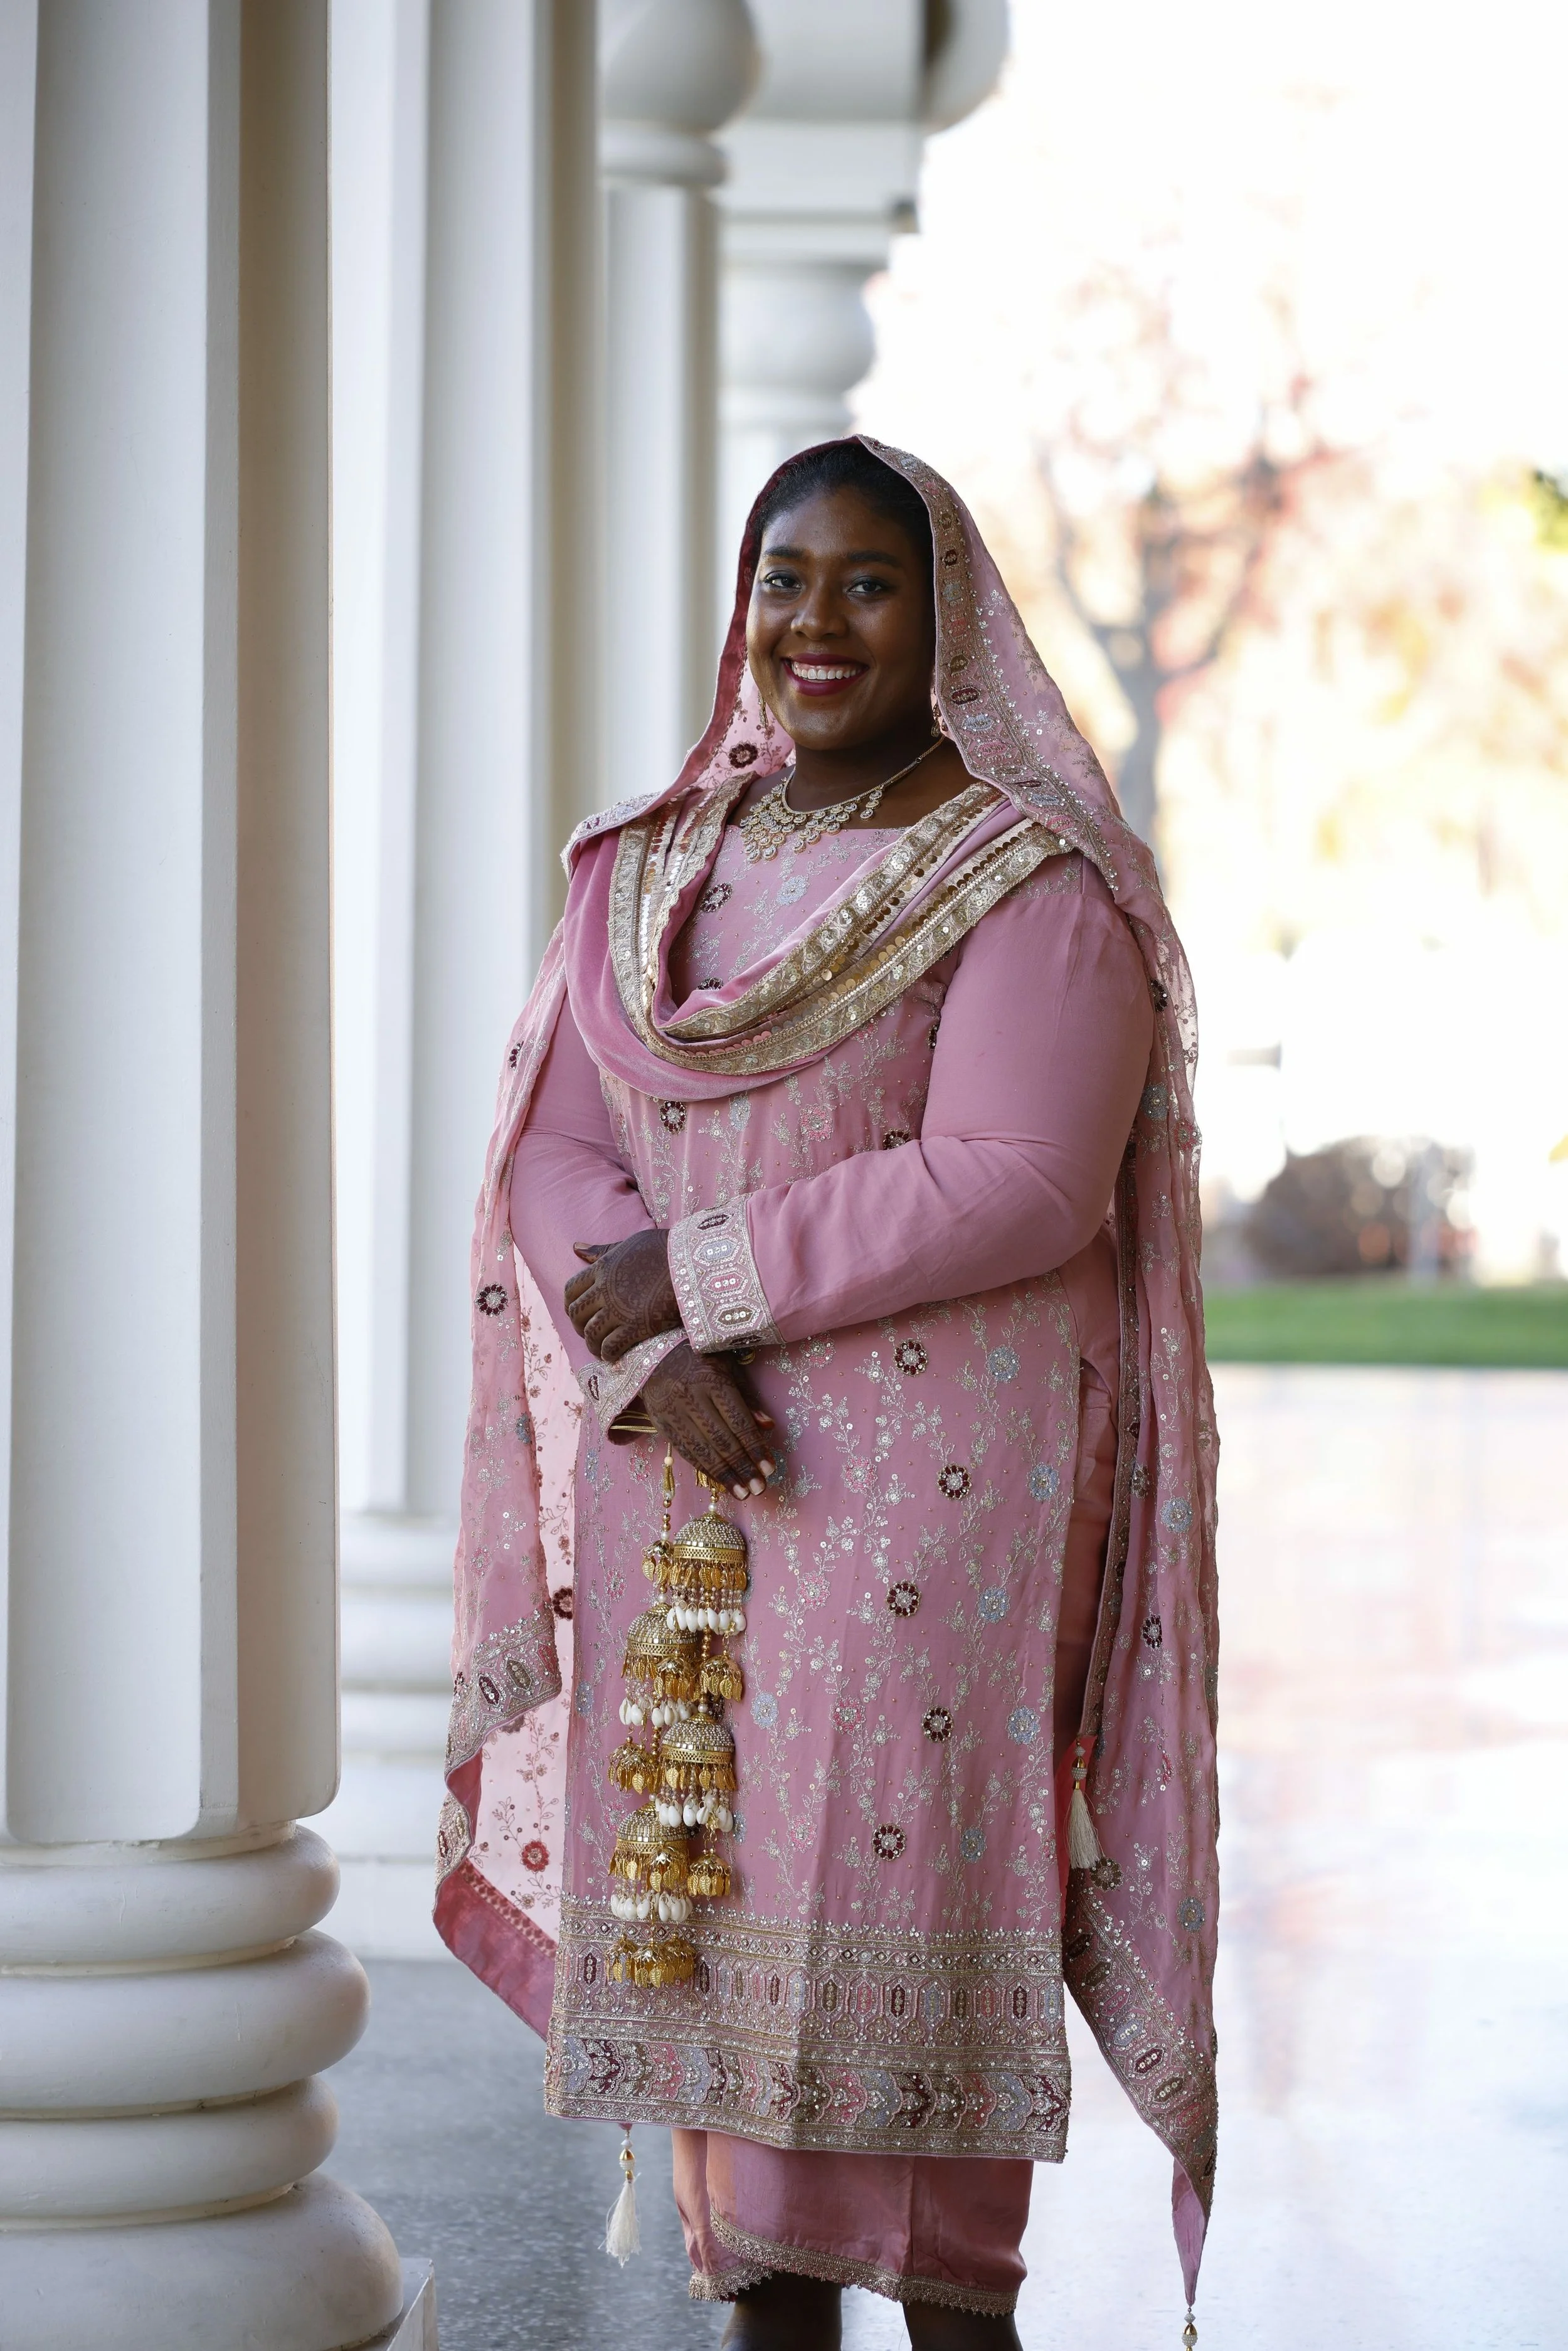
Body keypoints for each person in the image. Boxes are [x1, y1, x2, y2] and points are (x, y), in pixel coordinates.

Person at [436, 438, 1219, 2347]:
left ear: (948, 621)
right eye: (783, 576)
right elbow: (552, 1143)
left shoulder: (1031, 878)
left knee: (900, 1981)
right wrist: (643, 1348)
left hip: (919, 1504)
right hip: (687, 1483)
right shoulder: (650, 870)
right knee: (723, 2003)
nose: (813, 620)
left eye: (868, 581)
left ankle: (953, 2308)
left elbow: (1021, 1173)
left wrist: (703, 1280)